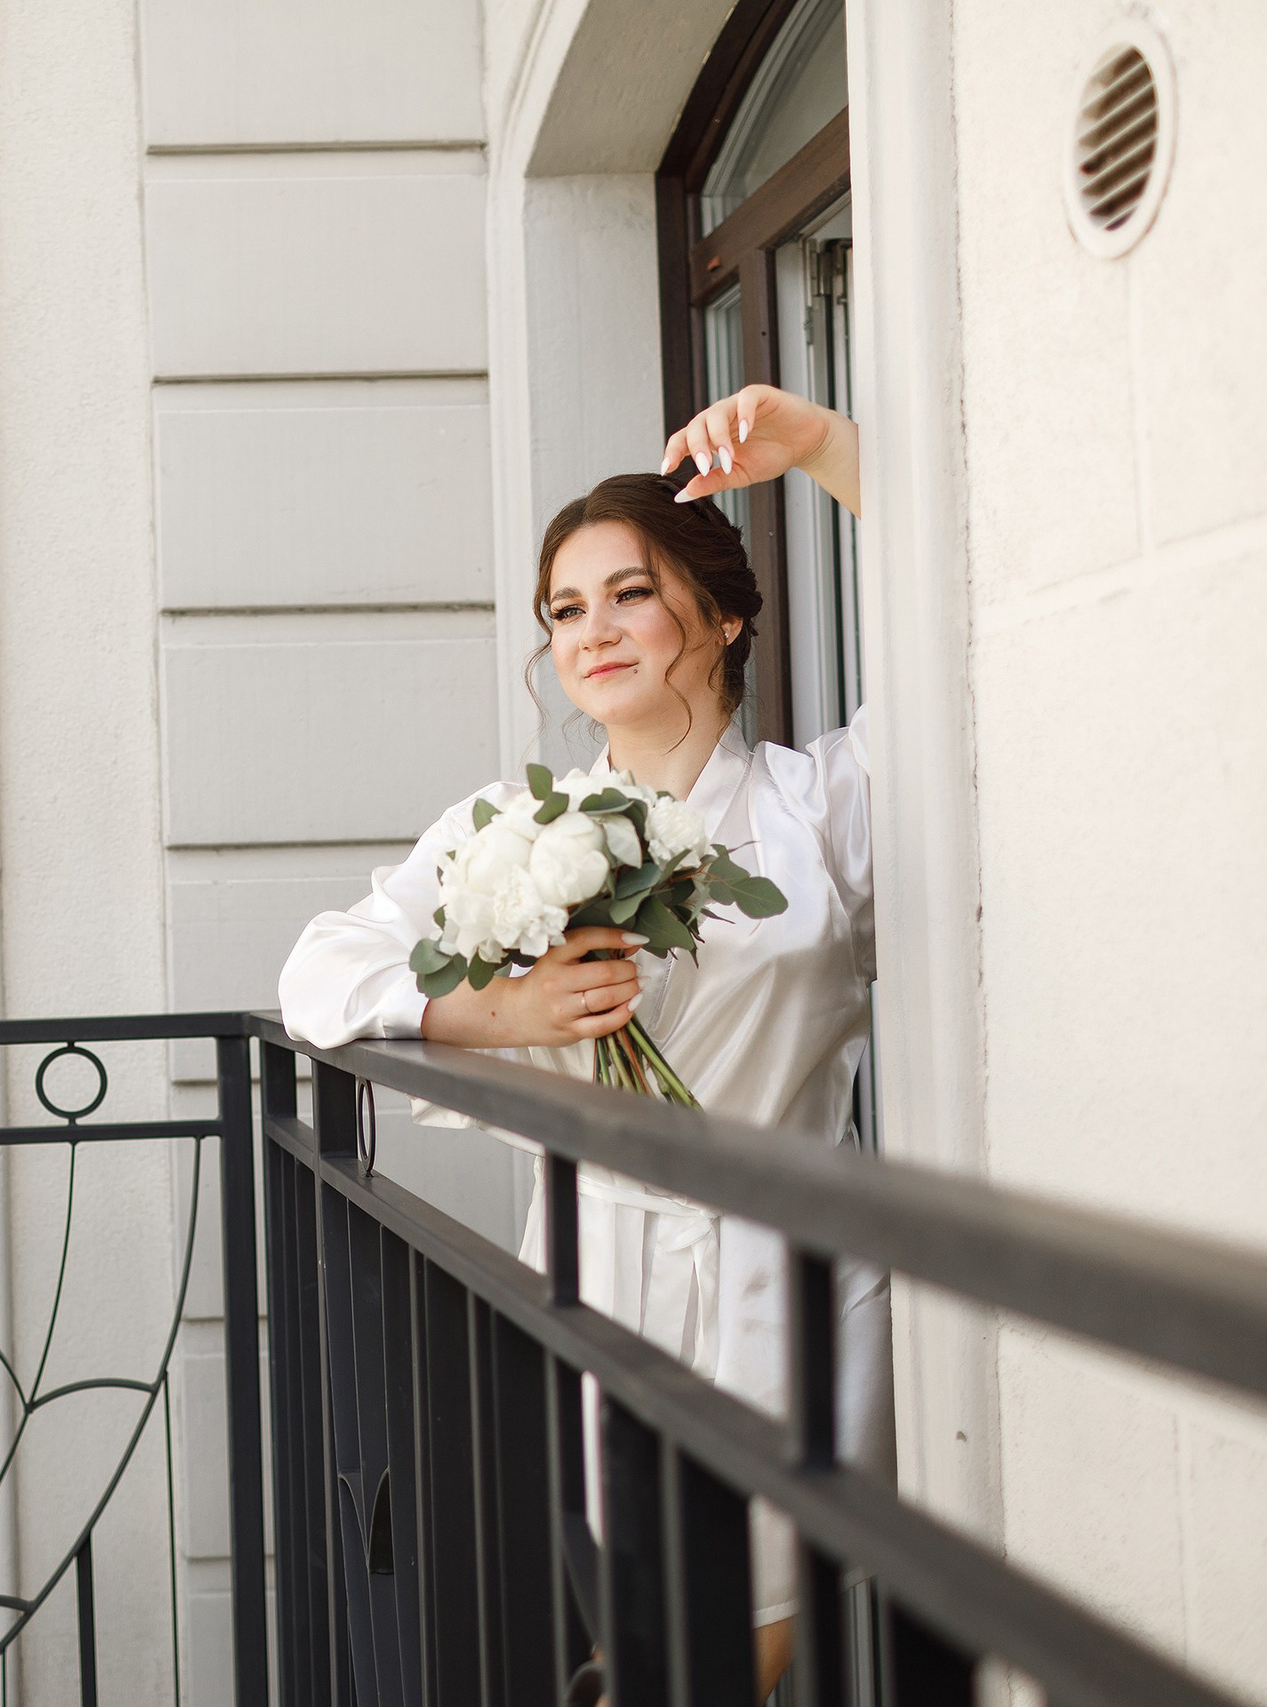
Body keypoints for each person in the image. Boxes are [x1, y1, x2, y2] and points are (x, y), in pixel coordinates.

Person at [278, 382, 889, 1699]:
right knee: (648, 1626)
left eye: (628, 593)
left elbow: (974, 627)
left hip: (792, 1279)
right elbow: (319, 972)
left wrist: (829, 450)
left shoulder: (822, 810)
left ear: (721, 614)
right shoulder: (510, 827)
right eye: (564, 608)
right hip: (594, 1274)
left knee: (745, 1638)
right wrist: (484, 1013)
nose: (589, 630)